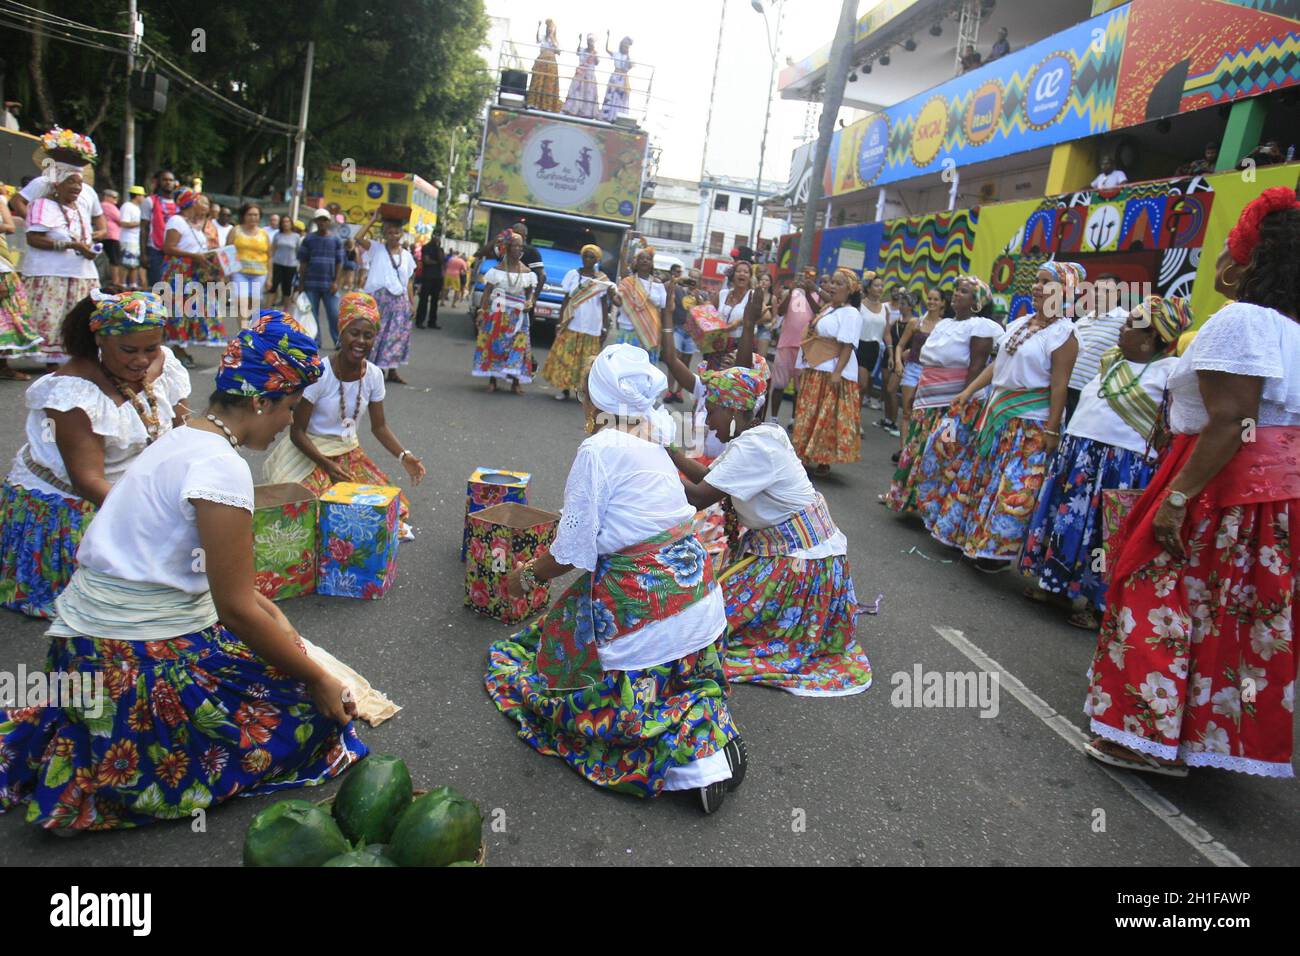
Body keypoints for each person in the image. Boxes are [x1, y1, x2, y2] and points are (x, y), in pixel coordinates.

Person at [0, 312, 368, 830]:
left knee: (279, 657)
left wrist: (289, 638)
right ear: (262, 402)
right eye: (288, 408)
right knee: (308, 716)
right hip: (127, 662)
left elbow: (237, 593)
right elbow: (237, 609)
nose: (289, 421)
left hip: (83, 650)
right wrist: (316, 677)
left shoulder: (181, 437)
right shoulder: (221, 467)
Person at [1084, 187, 1300, 779]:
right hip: (1271, 498)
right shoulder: (1291, 330)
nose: (1221, 263)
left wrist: (1177, 499)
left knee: (1158, 593)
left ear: (1248, 261)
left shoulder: (1243, 320)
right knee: (1229, 613)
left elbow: (1231, 421)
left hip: (1217, 483)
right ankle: (1198, 739)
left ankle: (1142, 735)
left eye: (1230, 250)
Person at [484, 344, 745, 813]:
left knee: (559, 697)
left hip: (650, 605)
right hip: (702, 601)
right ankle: (710, 728)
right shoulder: (652, 438)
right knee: (585, 620)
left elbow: (572, 551)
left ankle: (694, 763)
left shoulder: (599, 448)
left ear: (595, 402)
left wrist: (525, 578)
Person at [669, 309, 873, 697]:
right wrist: (666, 450)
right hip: (789, 556)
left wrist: (654, 459)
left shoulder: (756, 446)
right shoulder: (759, 435)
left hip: (802, 567)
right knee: (702, 613)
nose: (707, 418)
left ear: (734, 410)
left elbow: (698, 497)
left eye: (712, 409)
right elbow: (705, 478)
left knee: (703, 629)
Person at [0, 290, 190, 618]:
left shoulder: (159, 363)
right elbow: (88, 481)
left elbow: (183, 427)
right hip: (77, 502)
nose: (142, 361)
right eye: (129, 350)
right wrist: (158, 518)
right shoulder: (72, 394)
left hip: (129, 489)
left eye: (151, 347)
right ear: (99, 339)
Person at [1021, 296, 1192, 630]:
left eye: (1133, 324)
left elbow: (1171, 427)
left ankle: (1100, 606)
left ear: (1151, 338)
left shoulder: (1168, 372)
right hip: (1082, 454)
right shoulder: (1111, 360)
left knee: (1104, 535)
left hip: (1120, 465)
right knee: (1068, 524)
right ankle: (1058, 587)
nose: (1124, 327)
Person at [923, 262, 1082, 572]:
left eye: (1046, 282)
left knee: (1014, 488)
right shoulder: (1020, 323)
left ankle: (994, 552)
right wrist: (968, 392)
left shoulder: (1065, 333)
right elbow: (997, 366)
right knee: (984, 478)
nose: (1037, 286)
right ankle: (971, 540)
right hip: (998, 417)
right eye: (1036, 280)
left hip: (1031, 423)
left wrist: (1051, 431)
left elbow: (1060, 385)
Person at [264, 291, 424, 534]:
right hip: (311, 452)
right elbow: (297, 432)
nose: (360, 341)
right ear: (341, 332)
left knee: (384, 507)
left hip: (348, 453)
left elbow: (379, 427)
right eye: (354, 333)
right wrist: (326, 465)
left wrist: (405, 456)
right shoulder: (320, 373)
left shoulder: (374, 375)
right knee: (313, 513)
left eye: (368, 336)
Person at [884, 276, 1000, 514]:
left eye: (965, 292)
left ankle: (933, 506)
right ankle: (907, 498)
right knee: (917, 448)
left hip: (952, 404)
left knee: (943, 452)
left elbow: (976, 367)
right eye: (956, 290)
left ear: (977, 302)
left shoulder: (980, 327)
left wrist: (959, 406)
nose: (957, 294)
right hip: (927, 400)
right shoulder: (946, 324)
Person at [20, 163, 104, 368]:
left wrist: (88, 246)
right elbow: (34, 239)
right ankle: (52, 364)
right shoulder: (42, 205)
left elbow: (93, 231)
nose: (77, 187)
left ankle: (75, 359)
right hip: (50, 274)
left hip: (81, 273)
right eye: (71, 182)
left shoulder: (81, 206)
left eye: (79, 183)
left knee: (79, 319)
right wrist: (70, 245)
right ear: (57, 184)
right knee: (51, 320)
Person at [792, 267, 864, 476]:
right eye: (832, 282)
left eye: (839, 283)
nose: (832, 286)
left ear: (850, 290)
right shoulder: (830, 309)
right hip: (816, 368)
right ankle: (803, 454)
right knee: (809, 413)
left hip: (831, 370)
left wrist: (837, 373)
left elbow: (847, 345)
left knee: (826, 418)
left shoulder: (851, 313)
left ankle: (822, 458)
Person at [541, 243, 613, 400]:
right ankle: (564, 389)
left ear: (597, 260)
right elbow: (566, 300)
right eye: (585, 256)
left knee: (586, 362)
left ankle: (582, 392)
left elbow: (604, 305)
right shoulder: (572, 275)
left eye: (591, 257)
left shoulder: (602, 280)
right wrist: (560, 321)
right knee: (567, 358)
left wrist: (605, 327)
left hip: (592, 325)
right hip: (573, 322)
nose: (587, 259)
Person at [162, 190, 224, 366]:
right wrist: (194, 256)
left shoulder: (192, 224)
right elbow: (168, 247)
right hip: (178, 270)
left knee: (193, 310)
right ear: (190, 203)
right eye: (199, 201)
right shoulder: (176, 221)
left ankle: (179, 348)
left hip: (194, 271)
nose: (203, 205)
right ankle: (177, 349)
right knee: (179, 310)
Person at [473, 229, 538, 394]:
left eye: (520, 246)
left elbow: (530, 292)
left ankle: (515, 382)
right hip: (499, 312)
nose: (518, 249)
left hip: (519, 316)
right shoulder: (497, 270)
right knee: (496, 346)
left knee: (519, 347)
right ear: (507, 248)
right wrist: (482, 311)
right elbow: (488, 291)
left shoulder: (527, 272)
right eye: (514, 246)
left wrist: (530, 301)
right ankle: (493, 380)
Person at [356, 217, 417, 384]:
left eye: (396, 232)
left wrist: (412, 303)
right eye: (389, 232)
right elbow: (358, 238)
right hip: (379, 298)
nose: (393, 236)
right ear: (384, 234)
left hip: (399, 299)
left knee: (397, 335)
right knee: (377, 333)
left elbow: (409, 281)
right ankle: (374, 369)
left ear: (402, 234)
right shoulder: (377, 249)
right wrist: (373, 219)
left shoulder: (407, 256)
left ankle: (392, 370)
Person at [1067, 273, 1127, 418]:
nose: (1099, 294)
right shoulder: (1082, 320)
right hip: (1066, 389)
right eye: (1096, 289)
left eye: (1106, 291)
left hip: (1093, 394)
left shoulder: (1125, 320)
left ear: (1118, 294)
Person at [893, 287, 948, 448]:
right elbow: (900, 346)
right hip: (912, 369)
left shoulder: (944, 325)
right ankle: (903, 450)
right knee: (907, 412)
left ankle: (916, 447)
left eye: (936, 299)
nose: (932, 302)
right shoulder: (915, 322)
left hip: (931, 373)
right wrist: (898, 362)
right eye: (929, 299)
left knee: (924, 413)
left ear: (942, 303)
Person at [0, 183, 40, 378]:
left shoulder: (0, 201)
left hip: (2, 263)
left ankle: (3, 366)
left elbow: (9, 226)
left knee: (7, 313)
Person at [770, 267, 817, 423]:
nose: (806, 278)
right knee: (778, 384)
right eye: (803, 275)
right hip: (786, 344)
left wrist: (809, 292)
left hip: (805, 347)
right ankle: (774, 418)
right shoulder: (791, 293)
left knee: (800, 387)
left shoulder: (818, 295)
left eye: (810, 275)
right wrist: (791, 291)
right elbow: (781, 312)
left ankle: (793, 420)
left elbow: (818, 313)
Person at [297, 208, 345, 347]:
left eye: (325, 220)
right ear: (316, 221)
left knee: (335, 314)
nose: (322, 222)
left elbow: (340, 262)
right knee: (312, 315)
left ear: (329, 221)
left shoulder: (336, 239)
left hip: (330, 284)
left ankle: (338, 341)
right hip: (311, 283)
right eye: (320, 220)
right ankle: (315, 341)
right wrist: (301, 283)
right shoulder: (309, 239)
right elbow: (303, 262)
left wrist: (336, 282)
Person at [613, 248, 669, 364]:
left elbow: (664, 310)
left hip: (649, 333)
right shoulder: (627, 282)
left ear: (652, 263)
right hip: (627, 331)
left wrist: (664, 334)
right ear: (636, 262)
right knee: (623, 366)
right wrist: (610, 295)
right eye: (641, 258)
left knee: (643, 368)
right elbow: (618, 302)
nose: (644, 261)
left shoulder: (658, 284)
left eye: (648, 259)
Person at [231, 203, 271, 323]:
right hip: (239, 272)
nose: (253, 217)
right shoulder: (235, 230)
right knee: (241, 301)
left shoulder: (264, 233)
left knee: (254, 304)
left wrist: (270, 277)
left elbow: (270, 256)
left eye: (256, 215)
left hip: (259, 273)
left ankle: (253, 332)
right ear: (244, 216)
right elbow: (227, 252)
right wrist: (226, 274)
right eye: (250, 214)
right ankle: (244, 333)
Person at [857, 271, 887, 425]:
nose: (880, 288)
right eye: (876, 285)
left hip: (875, 349)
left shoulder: (884, 308)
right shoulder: (860, 305)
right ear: (868, 288)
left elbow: (886, 331)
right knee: (861, 384)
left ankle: (855, 417)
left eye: (881, 285)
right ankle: (854, 419)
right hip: (860, 346)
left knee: (863, 386)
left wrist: (893, 351)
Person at [138, 170, 177, 288]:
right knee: (157, 287)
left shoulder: (179, 203)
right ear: (158, 182)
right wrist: (143, 254)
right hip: (155, 251)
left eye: (171, 180)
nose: (168, 183)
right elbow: (143, 228)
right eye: (165, 180)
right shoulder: (150, 201)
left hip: (176, 251)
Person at [562, 33, 601, 119]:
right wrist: (579, 41)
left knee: (588, 94)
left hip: (589, 76)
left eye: (592, 41)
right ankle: (572, 110)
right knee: (576, 92)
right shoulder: (582, 50)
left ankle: (587, 113)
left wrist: (593, 53)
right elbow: (577, 52)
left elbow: (597, 62)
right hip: (580, 75)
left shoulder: (595, 53)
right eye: (589, 41)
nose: (590, 43)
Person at [528, 19, 562, 112]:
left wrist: (552, 38)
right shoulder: (543, 38)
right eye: (548, 28)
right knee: (538, 82)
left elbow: (558, 51)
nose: (549, 30)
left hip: (550, 64)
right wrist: (538, 27)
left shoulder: (555, 41)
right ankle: (534, 103)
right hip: (541, 62)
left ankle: (548, 106)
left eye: (551, 28)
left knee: (549, 84)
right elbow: (537, 39)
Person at [267, 215, 301, 308]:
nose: (286, 224)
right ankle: (266, 311)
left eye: (287, 222)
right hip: (277, 264)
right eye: (284, 222)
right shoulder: (277, 235)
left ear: (291, 223)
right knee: (272, 288)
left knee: (287, 290)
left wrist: (299, 266)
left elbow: (299, 252)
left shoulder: (296, 236)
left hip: (291, 266)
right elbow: (272, 250)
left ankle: (286, 314)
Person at [601, 34, 633, 123]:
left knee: (620, 98)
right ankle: (607, 116)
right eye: (623, 45)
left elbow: (630, 66)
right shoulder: (616, 54)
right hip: (615, 77)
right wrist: (607, 37)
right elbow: (607, 50)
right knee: (611, 96)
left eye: (626, 46)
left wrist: (628, 55)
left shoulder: (627, 57)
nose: (624, 47)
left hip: (623, 79)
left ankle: (617, 117)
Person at [415, 236, 444, 330]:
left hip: (437, 277)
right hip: (427, 276)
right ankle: (419, 321)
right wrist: (437, 263)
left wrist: (438, 248)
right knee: (424, 300)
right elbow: (426, 261)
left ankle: (432, 322)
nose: (437, 239)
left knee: (435, 301)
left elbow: (442, 260)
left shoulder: (440, 249)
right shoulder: (426, 247)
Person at [118, 186, 144, 290]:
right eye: (142, 195)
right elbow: (124, 223)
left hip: (135, 240)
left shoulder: (137, 208)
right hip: (127, 239)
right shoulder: (127, 206)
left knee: (134, 263)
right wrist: (140, 223)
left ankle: (133, 284)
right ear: (137, 196)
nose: (143, 198)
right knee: (125, 263)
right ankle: (122, 284)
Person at [100, 189, 124, 287]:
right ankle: (115, 281)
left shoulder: (101, 206)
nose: (116, 199)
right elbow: (120, 218)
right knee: (115, 259)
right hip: (112, 235)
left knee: (112, 258)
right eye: (113, 197)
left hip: (108, 235)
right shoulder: (107, 206)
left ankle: (114, 280)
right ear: (107, 197)